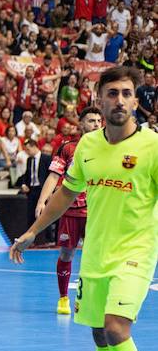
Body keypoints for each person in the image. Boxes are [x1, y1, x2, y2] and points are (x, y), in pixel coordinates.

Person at [10, 66, 158, 351]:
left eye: (127, 94)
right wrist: (32, 232)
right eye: (113, 94)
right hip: (95, 255)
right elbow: (64, 194)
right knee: (97, 334)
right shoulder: (88, 147)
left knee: (115, 328)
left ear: (136, 101)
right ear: (98, 99)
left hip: (135, 253)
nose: (120, 101)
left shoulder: (152, 148)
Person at [36, 107, 104, 314]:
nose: (96, 124)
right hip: (70, 210)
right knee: (67, 253)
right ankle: (64, 298)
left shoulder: (109, 148)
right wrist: (42, 201)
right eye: (91, 120)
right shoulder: (68, 148)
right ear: (81, 124)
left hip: (97, 211)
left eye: (99, 120)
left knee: (98, 257)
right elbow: (54, 176)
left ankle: (93, 299)